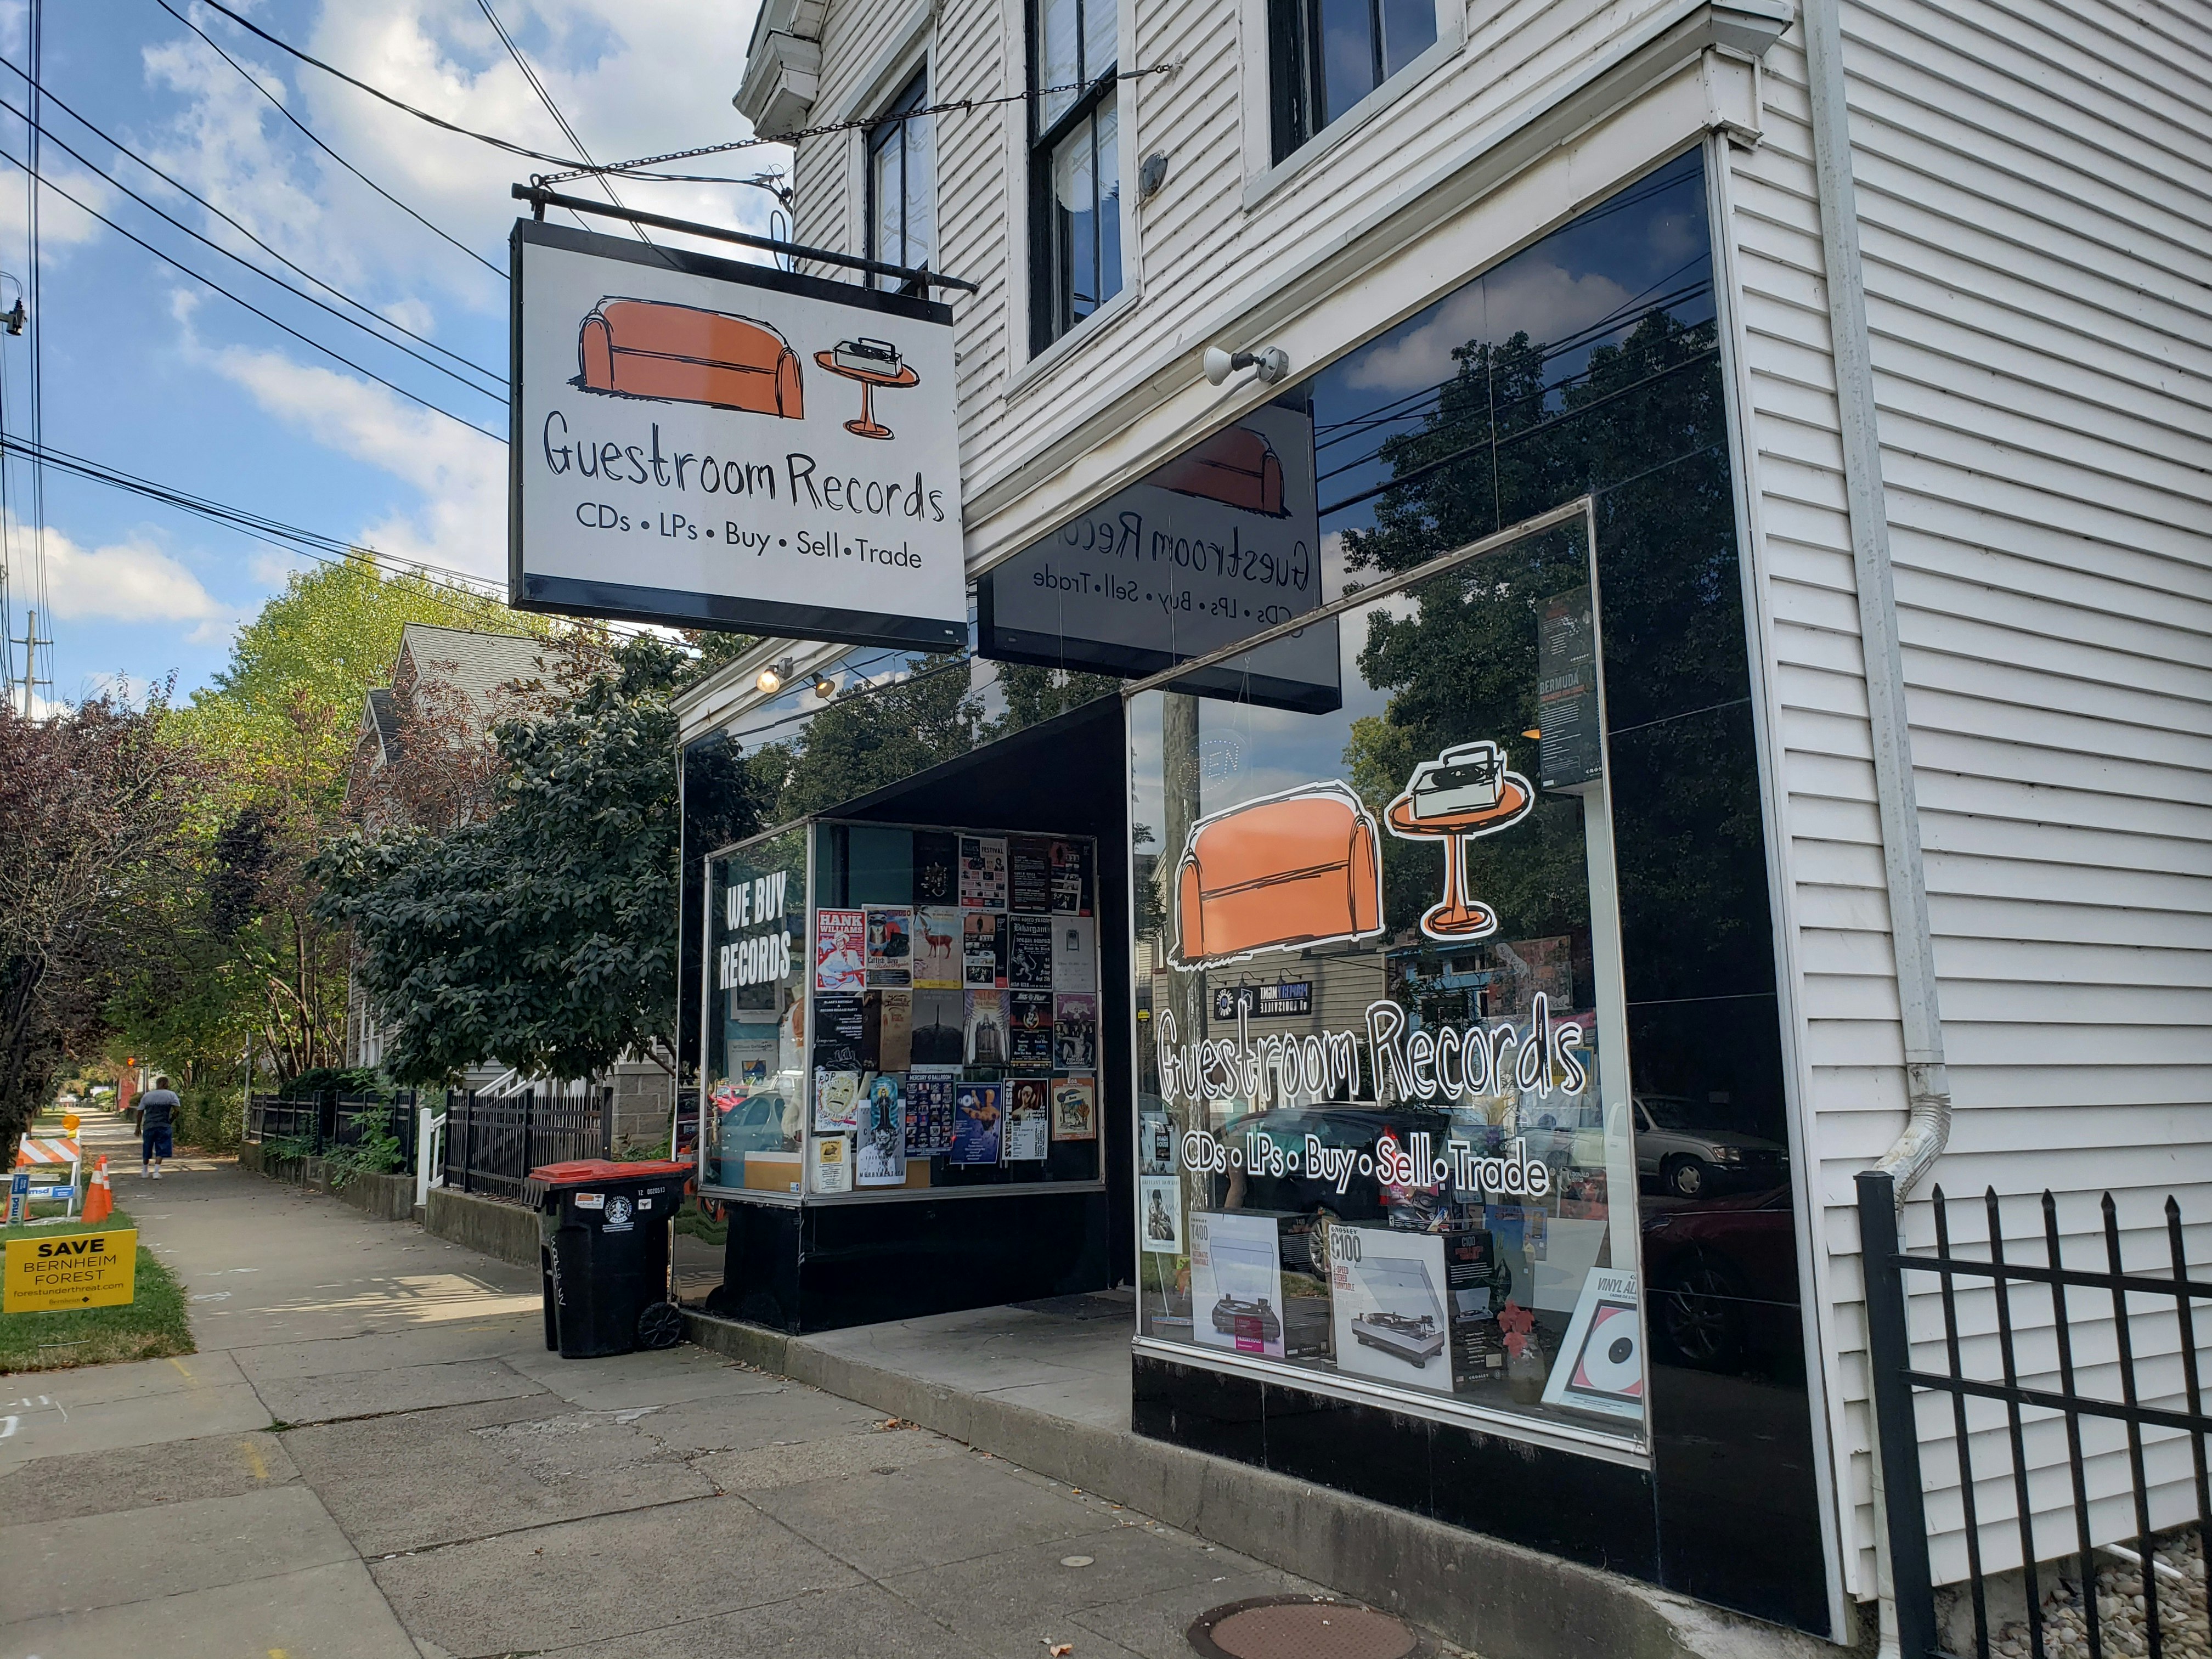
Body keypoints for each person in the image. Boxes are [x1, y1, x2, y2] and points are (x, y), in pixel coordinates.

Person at [138, 1074, 180, 1178]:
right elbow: (177, 1110)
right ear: (164, 1083)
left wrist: (138, 1127)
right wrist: (171, 1120)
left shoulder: (147, 1096)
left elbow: (140, 1111)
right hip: (164, 1125)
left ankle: (145, 1171)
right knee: (161, 1148)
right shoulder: (171, 1095)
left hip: (149, 1125)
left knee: (147, 1147)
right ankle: (156, 1172)